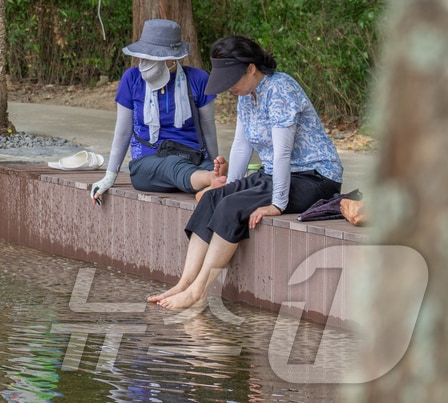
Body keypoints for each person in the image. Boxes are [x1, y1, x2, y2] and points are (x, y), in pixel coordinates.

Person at [152, 35, 343, 309]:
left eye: (233, 79)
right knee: (212, 199)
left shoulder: (280, 89)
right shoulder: (247, 94)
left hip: (315, 177)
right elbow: (241, 146)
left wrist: (278, 204)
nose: (230, 87)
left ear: (251, 68)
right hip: (275, 173)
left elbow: (282, 153)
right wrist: (228, 184)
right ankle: (185, 283)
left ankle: (199, 292)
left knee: (232, 206)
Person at [90, 19, 223, 203]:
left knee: (200, 168)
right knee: (171, 164)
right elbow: (123, 132)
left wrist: (216, 164)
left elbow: (209, 129)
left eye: (156, 56)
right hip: (148, 164)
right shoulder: (132, 78)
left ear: (174, 56)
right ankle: (207, 181)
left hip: (193, 157)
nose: (148, 61)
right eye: (145, 55)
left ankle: (210, 181)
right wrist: (109, 177)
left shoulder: (198, 79)